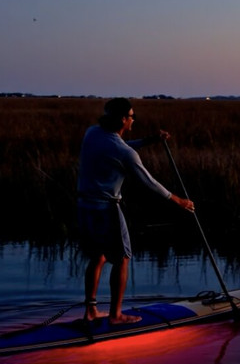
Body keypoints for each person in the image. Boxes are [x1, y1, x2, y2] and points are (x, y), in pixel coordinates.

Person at [77, 97, 195, 324]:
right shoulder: (125, 153)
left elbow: (117, 147)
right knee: (122, 258)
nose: (134, 119)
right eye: (132, 116)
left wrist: (150, 140)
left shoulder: (92, 133)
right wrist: (179, 201)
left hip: (84, 207)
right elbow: (149, 182)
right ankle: (116, 315)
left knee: (99, 256)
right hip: (106, 209)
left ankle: (90, 311)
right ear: (123, 119)